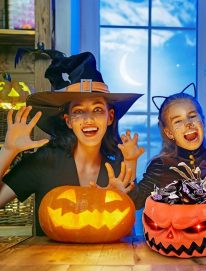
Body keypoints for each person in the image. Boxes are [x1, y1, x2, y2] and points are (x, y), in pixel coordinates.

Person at [0, 52, 144, 235]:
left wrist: (120, 197)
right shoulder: (44, 161)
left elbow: (125, 231)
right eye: (78, 111)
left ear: (110, 117)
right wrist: (8, 150)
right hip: (50, 262)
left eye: (98, 109)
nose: (88, 118)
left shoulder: (117, 167)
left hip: (104, 261)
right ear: (68, 121)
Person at [128, 83, 206, 209]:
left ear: (202, 121)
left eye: (192, 116)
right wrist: (130, 162)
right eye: (178, 121)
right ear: (169, 133)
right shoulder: (161, 165)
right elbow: (135, 201)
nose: (188, 123)